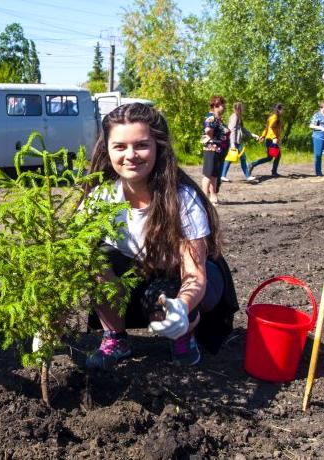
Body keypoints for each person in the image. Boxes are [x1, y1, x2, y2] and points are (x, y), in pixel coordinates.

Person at [83, 103, 239, 370]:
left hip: (179, 276)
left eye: (141, 145)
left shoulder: (181, 199)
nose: (130, 155)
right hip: (134, 274)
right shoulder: (101, 198)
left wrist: (182, 306)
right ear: (107, 150)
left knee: (164, 302)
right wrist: (48, 317)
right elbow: (71, 256)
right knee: (94, 261)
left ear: (158, 147)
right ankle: (116, 338)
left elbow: (194, 273)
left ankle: (183, 335)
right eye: (119, 146)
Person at [220, 102, 261, 182]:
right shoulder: (234, 117)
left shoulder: (238, 117)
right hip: (234, 142)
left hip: (236, 142)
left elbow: (243, 129)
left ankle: (223, 175)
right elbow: (232, 130)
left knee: (232, 158)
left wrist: (253, 135)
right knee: (237, 158)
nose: (243, 110)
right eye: (242, 108)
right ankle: (247, 176)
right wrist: (232, 143)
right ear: (239, 108)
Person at [201, 95, 229, 205]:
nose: (224, 107)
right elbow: (208, 129)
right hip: (211, 148)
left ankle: (213, 196)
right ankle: (204, 198)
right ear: (216, 105)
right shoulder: (211, 117)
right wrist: (213, 139)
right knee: (208, 173)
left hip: (217, 149)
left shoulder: (218, 119)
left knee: (214, 174)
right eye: (223, 105)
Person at [249, 103, 283, 177]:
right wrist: (274, 138)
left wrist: (263, 136)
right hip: (271, 140)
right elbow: (270, 128)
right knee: (273, 156)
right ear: (279, 109)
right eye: (282, 109)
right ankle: (253, 164)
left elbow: (267, 128)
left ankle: (253, 164)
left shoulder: (275, 117)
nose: (283, 111)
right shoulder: (274, 117)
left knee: (272, 157)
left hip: (271, 139)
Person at [309, 100, 324, 176]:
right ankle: (318, 172)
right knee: (318, 155)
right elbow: (311, 125)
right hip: (319, 138)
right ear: (320, 108)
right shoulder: (317, 115)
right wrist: (320, 127)